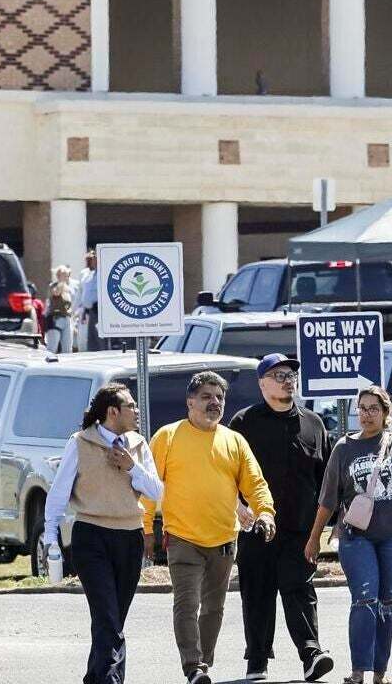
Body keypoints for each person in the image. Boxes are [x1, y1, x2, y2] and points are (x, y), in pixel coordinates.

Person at [304, 386, 392, 684]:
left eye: (374, 409)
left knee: (387, 603)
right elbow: (328, 499)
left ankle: (380, 673)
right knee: (364, 599)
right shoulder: (344, 447)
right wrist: (314, 538)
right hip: (356, 538)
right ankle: (358, 671)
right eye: (362, 408)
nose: (367, 414)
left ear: (386, 413)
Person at [147, 371, 277, 684]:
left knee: (214, 609)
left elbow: (254, 482)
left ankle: (203, 662)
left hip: (223, 538)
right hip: (182, 537)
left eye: (219, 397)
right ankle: (193, 667)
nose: (214, 403)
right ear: (190, 401)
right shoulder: (168, 436)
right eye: (206, 397)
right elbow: (149, 486)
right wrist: (146, 526)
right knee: (187, 604)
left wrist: (265, 512)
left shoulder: (234, 440)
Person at [42, 384, 164, 684]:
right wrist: (50, 537)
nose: (137, 411)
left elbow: (157, 491)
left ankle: (96, 677)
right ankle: (110, 679)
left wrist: (131, 467)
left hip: (129, 537)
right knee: (107, 615)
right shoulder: (81, 442)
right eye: (131, 406)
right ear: (112, 411)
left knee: (112, 619)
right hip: (91, 536)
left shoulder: (137, 444)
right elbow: (58, 493)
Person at [226, 354, 336, 682]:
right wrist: (237, 506)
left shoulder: (313, 424)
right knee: (257, 593)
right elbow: (225, 474)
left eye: (290, 374)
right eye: (279, 375)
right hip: (256, 527)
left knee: (299, 588)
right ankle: (257, 661)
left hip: (300, 529)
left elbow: (326, 479)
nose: (288, 380)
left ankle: (311, 654)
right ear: (262, 384)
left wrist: (325, 525)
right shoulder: (243, 423)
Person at [48, 264, 76, 353]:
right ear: (58, 275)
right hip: (56, 319)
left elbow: (71, 305)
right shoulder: (53, 285)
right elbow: (56, 293)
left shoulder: (69, 288)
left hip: (67, 319)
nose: (66, 276)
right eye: (63, 274)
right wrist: (62, 282)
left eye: (66, 274)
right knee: (52, 348)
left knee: (67, 348)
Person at [79, 249, 101, 350]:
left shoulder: (102, 273)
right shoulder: (89, 274)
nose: (93, 261)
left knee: (98, 338)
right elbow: (86, 294)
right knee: (90, 338)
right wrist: (84, 310)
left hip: (99, 309)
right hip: (90, 310)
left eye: (94, 259)